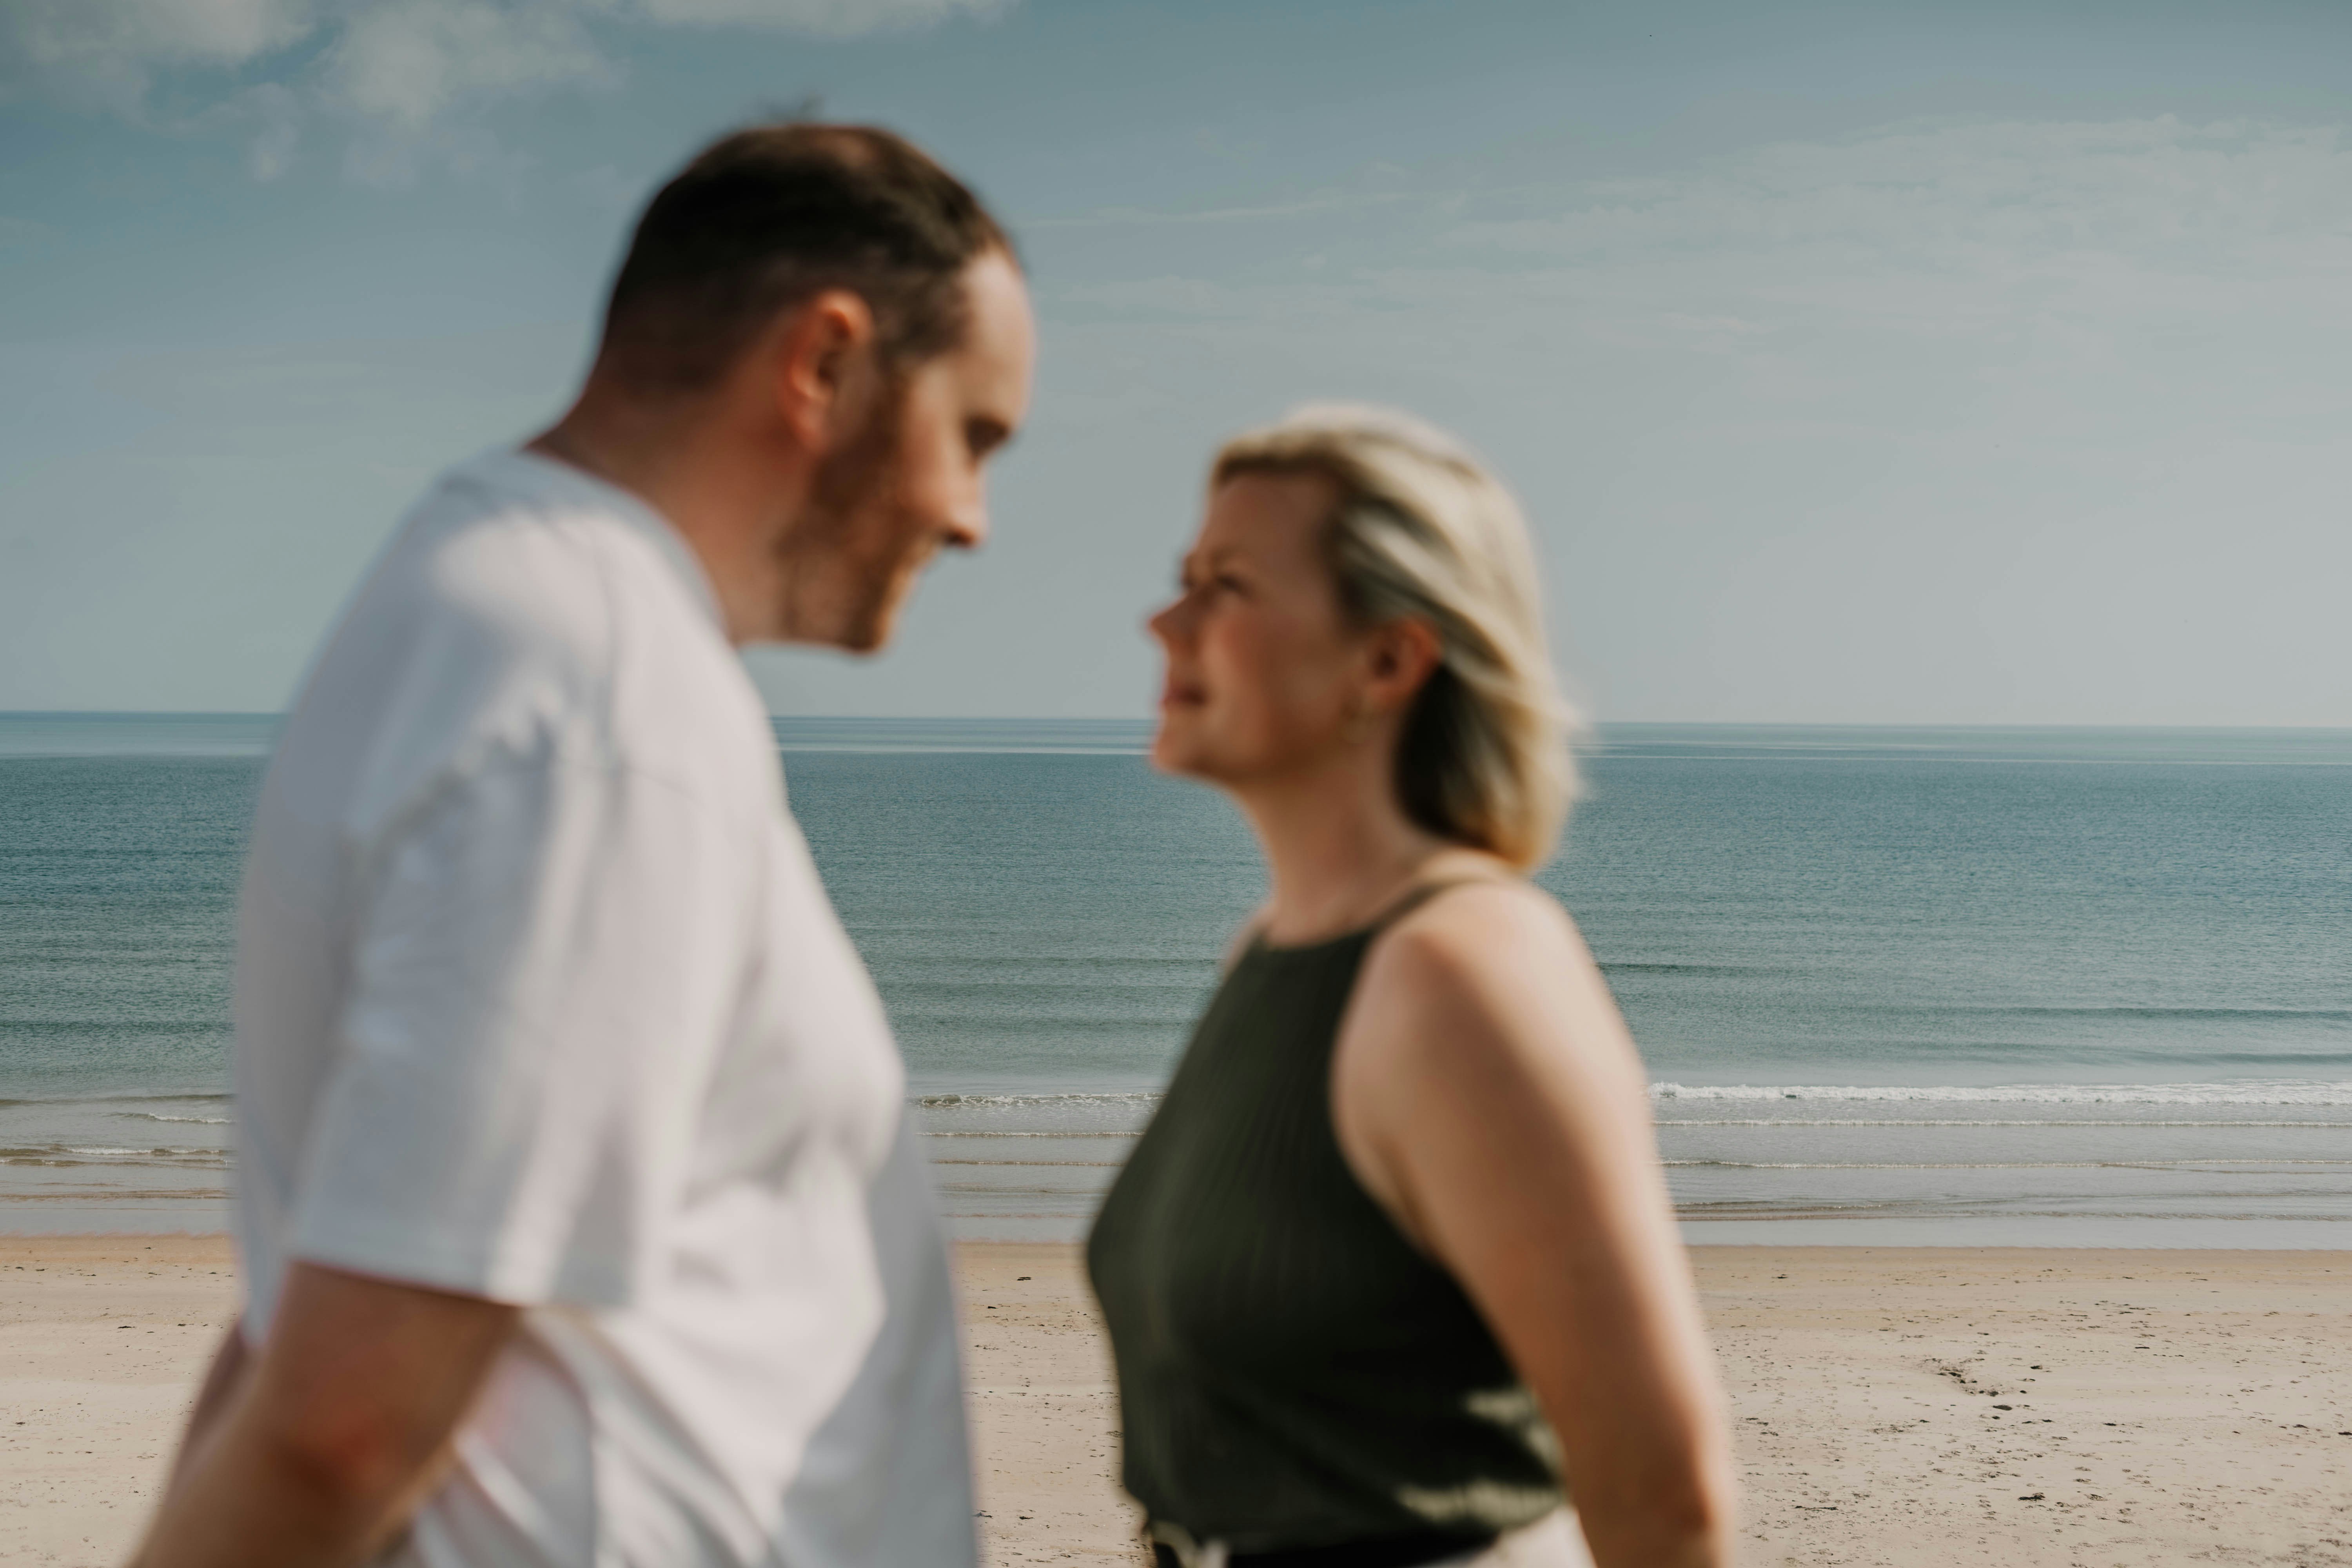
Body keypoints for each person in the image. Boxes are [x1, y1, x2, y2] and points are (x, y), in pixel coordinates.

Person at [127, 123, 1034, 1568]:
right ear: (825, 363)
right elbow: (343, 1428)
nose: (973, 517)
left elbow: (290, 1330)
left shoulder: (484, 610)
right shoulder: (604, 701)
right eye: (974, 434)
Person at [1086, 407, 1737, 1568]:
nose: (1164, 620)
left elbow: (1665, 1501)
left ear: (1385, 661)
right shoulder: (1274, 953)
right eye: (1182, 577)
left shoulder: (1461, 972)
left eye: (1226, 586)